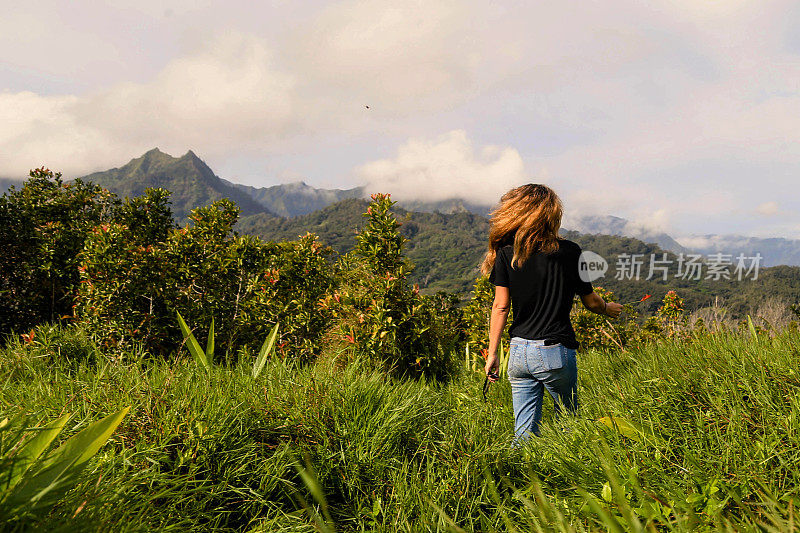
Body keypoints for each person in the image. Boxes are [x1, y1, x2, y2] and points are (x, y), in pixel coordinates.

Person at [481, 184, 623, 445]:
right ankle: (569, 478)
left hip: (518, 352)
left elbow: (500, 306)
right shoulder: (570, 252)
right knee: (569, 424)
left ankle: (518, 479)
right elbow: (590, 301)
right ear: (551, 214)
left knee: (523, 433)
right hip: (554, 351)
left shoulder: (505, 253)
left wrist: (492, 354)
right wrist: (607, 308)